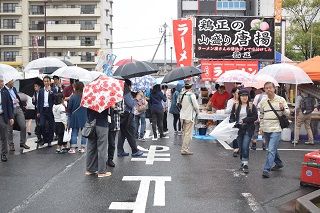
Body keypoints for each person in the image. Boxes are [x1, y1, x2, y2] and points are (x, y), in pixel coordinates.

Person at [260, 82, 290, 178]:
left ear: (274, 89)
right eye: (266, 88)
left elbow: (287, 113)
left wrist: (282, 109)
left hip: (276, 128)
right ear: (264, 90)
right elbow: (261, 116)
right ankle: (279, 163)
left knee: (271, 149)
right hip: (266, 128)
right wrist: (261, 127)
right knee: (272, 148)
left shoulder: (281, 100)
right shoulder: (263, 102)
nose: (268, 89)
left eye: (270, 87)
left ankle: (266, 169)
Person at [230, 89, 258, 174]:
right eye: (242, 96)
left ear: (248, 96)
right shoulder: (236, 105)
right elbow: (231, 116)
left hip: (248, 128)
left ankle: (245, 164)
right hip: (239, 129)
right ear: (239, 97)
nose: (244, 97)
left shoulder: (251, 106)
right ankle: (243, 162)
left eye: (246, 95)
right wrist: (232, 122)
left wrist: (245, 120)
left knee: (245, 146)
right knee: (241, 148)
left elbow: (255, 117)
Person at [117, 80, 143, 157]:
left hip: (122, 115)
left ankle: (120, 151)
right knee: (130, 132)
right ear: (128, 86)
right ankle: (135, 150)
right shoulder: (126, 92)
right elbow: (131, 104)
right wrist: (137, 98)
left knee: (122, 134)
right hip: (127, 116)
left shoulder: (119, 91)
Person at [4, 79, 30, 151]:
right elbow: (4, 102)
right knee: (10, 129)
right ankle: (11, 145)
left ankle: (22, 142)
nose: (13, 82)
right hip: (10, 110)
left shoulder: (14, 89)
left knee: (23, 126)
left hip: (18, 108)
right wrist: (13, 102)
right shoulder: (4, 90)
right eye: (12, 81)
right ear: (8, 82)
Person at [85, 108, 111, 178]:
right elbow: (108, 114)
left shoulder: (90, 99)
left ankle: (90, 169)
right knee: (102, 148)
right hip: (102, 124)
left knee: (91, 147)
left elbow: (88, 113)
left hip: (91, 124)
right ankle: (102, 171)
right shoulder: (104, 100)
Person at [178, 80, 200, 155]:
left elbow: (178, 103)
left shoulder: (181, 94)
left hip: (182, 116)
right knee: (188, 134)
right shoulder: (191, 95)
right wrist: (197, 112)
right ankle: (184, 149)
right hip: (189, 116)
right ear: (191, 87)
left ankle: (184, 147)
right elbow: (196, 106)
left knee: (184, 132)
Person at [68, 82, 87, 153]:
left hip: (75, 115)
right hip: (84, 115)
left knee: (74, 132)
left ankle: (72, 148)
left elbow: (69, 107)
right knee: (84, 132)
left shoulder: (73, 96)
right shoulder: (85, 96)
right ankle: (82, 147)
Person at [37, 76, 56, 147]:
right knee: (41, 125)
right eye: (45, 81)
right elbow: (39, 101)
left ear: (50, 82)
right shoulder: (41, 90)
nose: (46, 83)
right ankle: (45, 138)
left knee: (51, 126)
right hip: (43, 109)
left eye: (47, 81)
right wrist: (38, 111)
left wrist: (51, 92)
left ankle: (50, 140)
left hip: (50, 109)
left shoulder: (53, 89)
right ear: (43, 82)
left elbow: (56, 98)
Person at [220, 87, 239, 157]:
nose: (238, 94)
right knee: (234, 134)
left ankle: (239, 148)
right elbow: (227, 111)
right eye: (237, 92)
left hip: (241, 119)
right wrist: (233, 105)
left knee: (240, 134)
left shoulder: (242, 100)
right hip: (233, 119)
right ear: (233, 93)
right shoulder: (230, 101)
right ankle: (235, 149)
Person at [0, 75, 14, 162]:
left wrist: (11, 117)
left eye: (2, 81)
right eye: (0, 81)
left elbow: (9, 105)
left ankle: (4, 154)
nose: (2, 83)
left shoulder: (5, 91)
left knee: (4, 134)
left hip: (2, 115)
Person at [106, 101, 122, 167]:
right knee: (101, 144)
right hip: (103, 124)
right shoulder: (104, 97)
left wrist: (114, 107)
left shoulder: (119, 97)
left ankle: (110, 159)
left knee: (112, 143)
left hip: (114, 124)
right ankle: (100, 160)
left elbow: (122, 111)